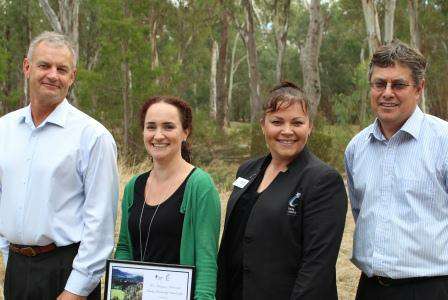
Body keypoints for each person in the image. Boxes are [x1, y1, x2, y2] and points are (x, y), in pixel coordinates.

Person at [0, 31, 119, 299]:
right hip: (18, 271)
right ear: (27, 67)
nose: (53, 75)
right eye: (44, 65)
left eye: (62, 69)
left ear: (72, 77)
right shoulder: (4, 130)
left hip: (67, 272)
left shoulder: (92, 137)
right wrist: (11, 259)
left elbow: (100, 223)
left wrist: (75, 290)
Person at [217, 81, 347, 300]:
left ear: (309, 127)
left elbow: (317, 267)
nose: (287, 131)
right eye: (277, 121)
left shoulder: (322, 180)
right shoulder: (247, 170)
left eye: (297, 122)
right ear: (263, 125)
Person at [345, 40, 448, 300]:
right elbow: (360, 212)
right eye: (380, 83)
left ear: (419, 88)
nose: (387, 92)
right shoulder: (357, 147)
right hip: (369, 288)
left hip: (431, 289)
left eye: (398, 84)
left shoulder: (443, 141)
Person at [115, 95, 221, 299]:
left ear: (185, 133)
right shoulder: (133, 186)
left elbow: (206, 260)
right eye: (151, 127)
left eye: (168, 127)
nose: (158, 135)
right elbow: (125, 248)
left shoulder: (200, 186)